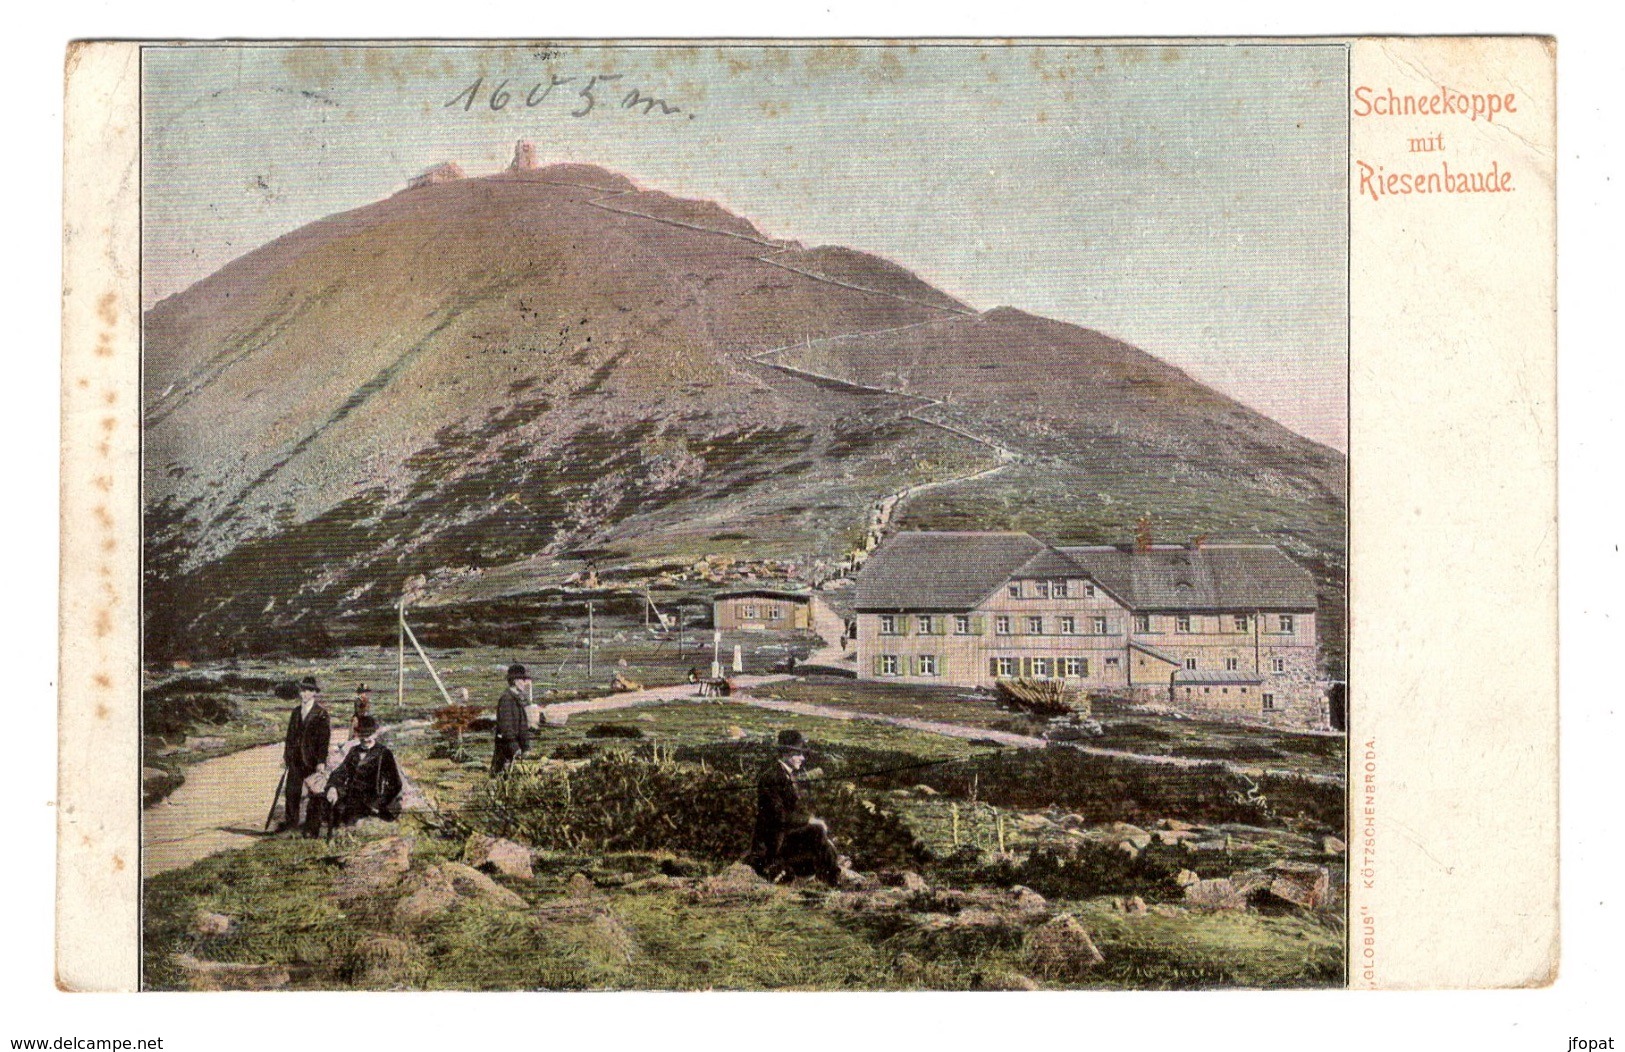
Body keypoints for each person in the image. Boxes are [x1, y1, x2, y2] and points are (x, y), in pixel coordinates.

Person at [748, 729, 841, 884]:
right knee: (817, 831)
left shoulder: (784, 774)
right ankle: (831, 881)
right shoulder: (772, 777)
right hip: (773, 842)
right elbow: (779, 817)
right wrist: (810, 822)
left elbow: (794, 810)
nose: (802, 758)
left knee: (822, 836)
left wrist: (812, 822)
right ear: (787, 753)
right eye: (799, 754)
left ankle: (830, 879)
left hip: (783, 836)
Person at [324, 715, 403, 826]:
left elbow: (395, 784)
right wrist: (333, 787)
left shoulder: (383, 753)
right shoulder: (354, 751)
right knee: (324, 805)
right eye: (362, 735)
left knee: (349, 819)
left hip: (373, 799)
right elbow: (341, 771)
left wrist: (380, 803)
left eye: (369, 735)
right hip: (353, 796)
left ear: (375, 734)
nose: (365, 739)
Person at [280, 676, 331, 836]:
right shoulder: (295, 712)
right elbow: (289, 737)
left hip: (312, 760)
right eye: (302, 690)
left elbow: (324, 741)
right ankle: (291, 825)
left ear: (314, 693)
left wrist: (321, 761)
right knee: (292, 792)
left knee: (315, 793)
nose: (303, 693)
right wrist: (287, 756)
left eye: (308, 690)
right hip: (295, 759)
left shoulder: (321, 713)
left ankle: (312, 827)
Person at [491, 663, 533, 776]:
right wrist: (515, 748)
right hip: (506, 749)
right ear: (515, 681)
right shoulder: (506, 699)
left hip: (516, 748)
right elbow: (506, 727)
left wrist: (526, 747)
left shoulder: (518, 699)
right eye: (523, 680)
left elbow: (523, 726)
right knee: (502, 778)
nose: (525, 683)